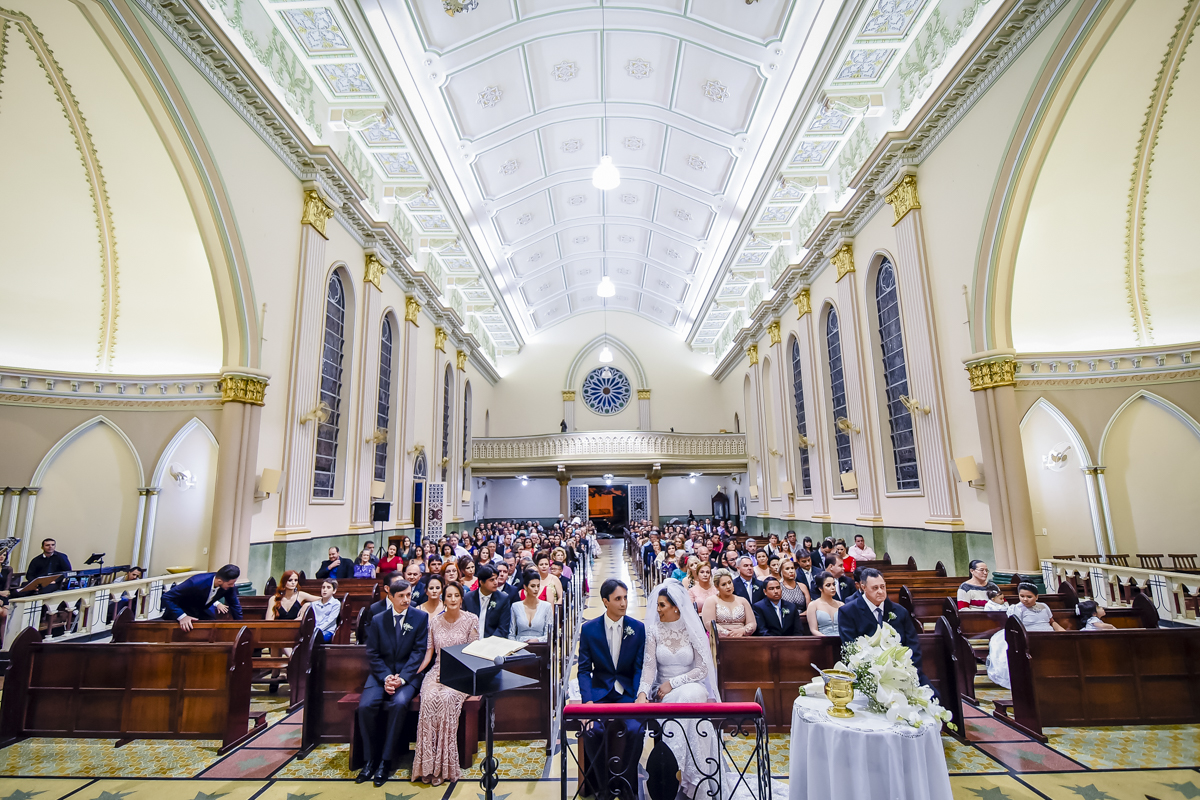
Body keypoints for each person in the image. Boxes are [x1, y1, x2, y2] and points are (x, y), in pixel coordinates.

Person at [636, 579, 721, 798]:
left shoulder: (692, 629)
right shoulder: (653, 631)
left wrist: (673, 683)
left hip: (691, 685)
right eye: (658, 605)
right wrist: (643, 693)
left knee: (690, 696)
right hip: (664, 693)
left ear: (676, 606)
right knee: (685, 708)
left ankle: (681, 767)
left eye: (662, 605)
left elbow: (703, 668)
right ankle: (688, 775)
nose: (658, 609)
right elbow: (648, 667)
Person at [576, 579, 645, 800]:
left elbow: (638, 668)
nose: (624, 603)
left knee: (635, 731)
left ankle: (625, 784)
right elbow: (584, 669)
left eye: (625, 597)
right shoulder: (589, 629)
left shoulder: (637, 628)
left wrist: (636, 696)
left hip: (626, 694)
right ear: (605, 602)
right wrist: (587, 701)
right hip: (600, 695)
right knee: (592, 731)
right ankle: (604, 786)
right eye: (618, 599)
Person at [356, 579, 429, 787]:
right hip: (381, 675)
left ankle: (386, 761)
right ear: (391, 597)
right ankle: (371, 759)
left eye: (409, 595)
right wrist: (387, 677)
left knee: (398, 704)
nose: (407, 600)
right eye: (402, 596)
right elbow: (373, 653)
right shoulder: (379, 620)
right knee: (365, 706)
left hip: (409, 676)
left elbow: (418, 652)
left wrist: (402, 678)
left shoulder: (420, 617)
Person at [412, 581, 479, 786]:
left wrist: (455, 674)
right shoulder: (434, 622)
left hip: (462, 673)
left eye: (456, 595)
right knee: (430, 699)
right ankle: (427, 767)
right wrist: (410, 674)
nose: (452, 600)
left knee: (448, 700)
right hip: (437, 671)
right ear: (444, 598)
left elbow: (474, 654)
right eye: (448, 596)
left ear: (461, 598)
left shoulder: (471, 620)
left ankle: (445, 767)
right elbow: (429, 653)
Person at [839, 569, 931, 689]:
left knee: (934, 699)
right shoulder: (848, 611)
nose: (880, 591)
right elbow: (850, 647)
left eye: (883, 586)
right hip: (869, 675)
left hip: (903, 672)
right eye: (875, 588)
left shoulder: (899, 611)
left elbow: (913, 645)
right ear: (863, 587)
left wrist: (910, 672)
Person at [986, 582, 1066, 689]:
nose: (1025, 599)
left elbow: (1052, 621)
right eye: (1021, 596)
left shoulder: (1044, 606)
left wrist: (1061, 631)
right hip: (1028, 636)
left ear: (1036, 596)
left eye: (1029, 597)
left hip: (1048, 634)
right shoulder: (1016, 608)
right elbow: (1016, 628)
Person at [161, 564, 243, 631]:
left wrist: (240, 627)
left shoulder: (229, 587)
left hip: (199, 611)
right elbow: (166, 597)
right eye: (230, 584)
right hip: (180, 611)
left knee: (214, 630)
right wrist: (182, 616)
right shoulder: (195, 582)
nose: (232, 586)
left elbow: (235, 605)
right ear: (219, 581)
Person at [701, 568, 756, 637]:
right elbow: (709, 624)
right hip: (719, 640)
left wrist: (743, 630)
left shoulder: (743, 601)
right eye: (723, 584)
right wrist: (728, 633)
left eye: (730, 582)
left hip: (742, 639)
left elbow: (752, 623)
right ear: (717, 587)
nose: (728, 586)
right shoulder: (711, 601)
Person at [462, 564, 511, 638]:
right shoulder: (468, 598)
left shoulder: (503, 599)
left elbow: (503, 629)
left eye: (496, 578)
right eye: (491, 580)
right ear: (481, 582)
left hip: (493, 643)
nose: (495, 582)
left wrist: (488, 643)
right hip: (470, 642)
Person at [510, 570, 552, 642]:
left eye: (538, 586)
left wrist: (538, 640)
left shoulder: (547, 606)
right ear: (525, 587)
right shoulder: (515, 606)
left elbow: (549, 634)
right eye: (532, 586)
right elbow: (511, 634)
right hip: (519, 646)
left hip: (540, 646)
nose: (536, 589)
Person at [806, 571, 844, 636]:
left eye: (834, 584)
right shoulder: (813, 605)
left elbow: (845, 627)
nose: (833, 588)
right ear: (820, 588)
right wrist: (827, 639)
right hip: (822, 640)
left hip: (841, 639)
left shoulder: (841, 605)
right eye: (828, 585)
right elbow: (813, 630)